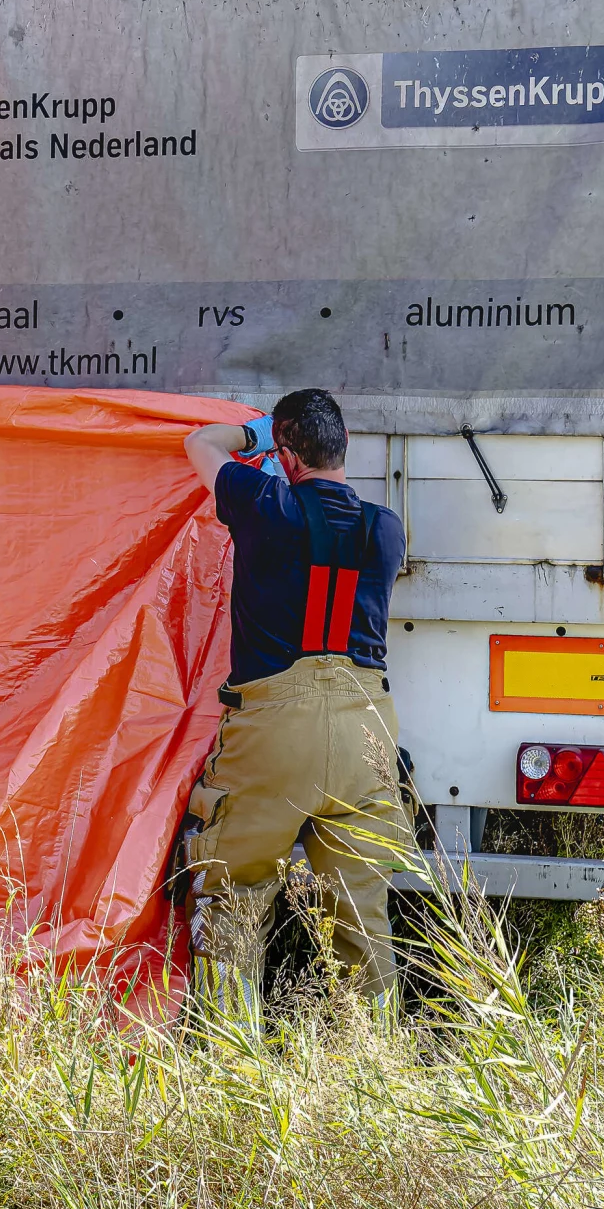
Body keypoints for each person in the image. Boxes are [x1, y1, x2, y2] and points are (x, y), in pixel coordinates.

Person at [178, 388, 411, 1023]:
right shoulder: (385, 529)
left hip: (275, 730)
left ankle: (228, 1054)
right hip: (365, 730)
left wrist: (254, 435)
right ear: (344, 446)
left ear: (287, 456)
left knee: (234, 895)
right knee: (362, 912)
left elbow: (199, 444)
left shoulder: (266, 503)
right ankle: (373, 1057)